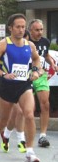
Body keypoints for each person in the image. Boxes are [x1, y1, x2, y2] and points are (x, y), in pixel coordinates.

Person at [0, 13, 41, 162]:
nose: (21, 30)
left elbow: (36, 59)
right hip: (8, 86)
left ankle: (30, 152)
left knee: (29, 115)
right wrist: (4, 74)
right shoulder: (3, 44)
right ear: (10, 28)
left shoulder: (29, 45)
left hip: (24, 85)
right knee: (4, 120)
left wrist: (36, 71)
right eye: (18, 27)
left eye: (23, 27)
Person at [28, 19, 57, 147]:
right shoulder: (24, 42)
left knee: (45, 104)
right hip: (26, 76)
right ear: (30, 30)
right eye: (37, 30)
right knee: (29, 108)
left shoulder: (45, 41)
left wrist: (52, 63)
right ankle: (24, 133)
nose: (40, 32)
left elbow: (45, 55)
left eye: (41, 29)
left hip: (40, 75)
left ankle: (43, 136)